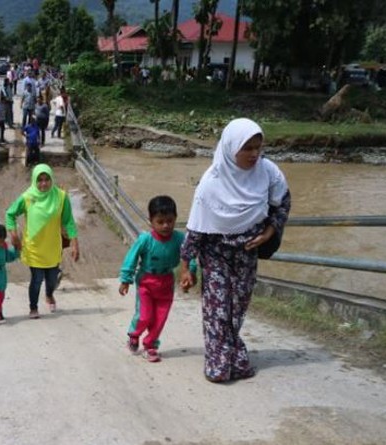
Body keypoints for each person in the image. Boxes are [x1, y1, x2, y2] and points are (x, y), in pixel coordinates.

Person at [179, 118, 291, 382]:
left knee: (237, 309)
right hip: (216, 253)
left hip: (247, 254)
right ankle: (218, 364)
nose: (254, 154)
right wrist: (186, 266)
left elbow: (283, 202)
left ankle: (234, 353)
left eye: (258, 147)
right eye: (247, 148)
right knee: (217, 310)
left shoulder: (268, 173)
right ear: (231, 149)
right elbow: (196, 227)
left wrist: (269, 231)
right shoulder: (211, 182)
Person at [119, 195, 196, 363]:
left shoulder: (180, 239)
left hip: (166, 282)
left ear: (175, 219)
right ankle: (134, 334)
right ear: (151, 221)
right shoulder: (145, 240)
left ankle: (151, 345)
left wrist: (189, 273)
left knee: (160, 318)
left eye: (169, 221)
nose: (165, 225)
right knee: (145, 315)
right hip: (146, 282)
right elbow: (131, 257)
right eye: (160, 222)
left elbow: (189, 257)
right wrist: (126, 279)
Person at [6, 164, 79, 319]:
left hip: (53, 246)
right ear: (34, 180)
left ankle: (49, 294)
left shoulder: (61, 197)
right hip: (34, 247)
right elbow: (10, 214)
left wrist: (74, 243)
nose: (44, 183)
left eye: (47, 180)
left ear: (52, 179)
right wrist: (13, 235)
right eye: (40, 180)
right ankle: (33, 307)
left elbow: (69, 221)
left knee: (52, 278)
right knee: (37, 279)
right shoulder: (27, 197)